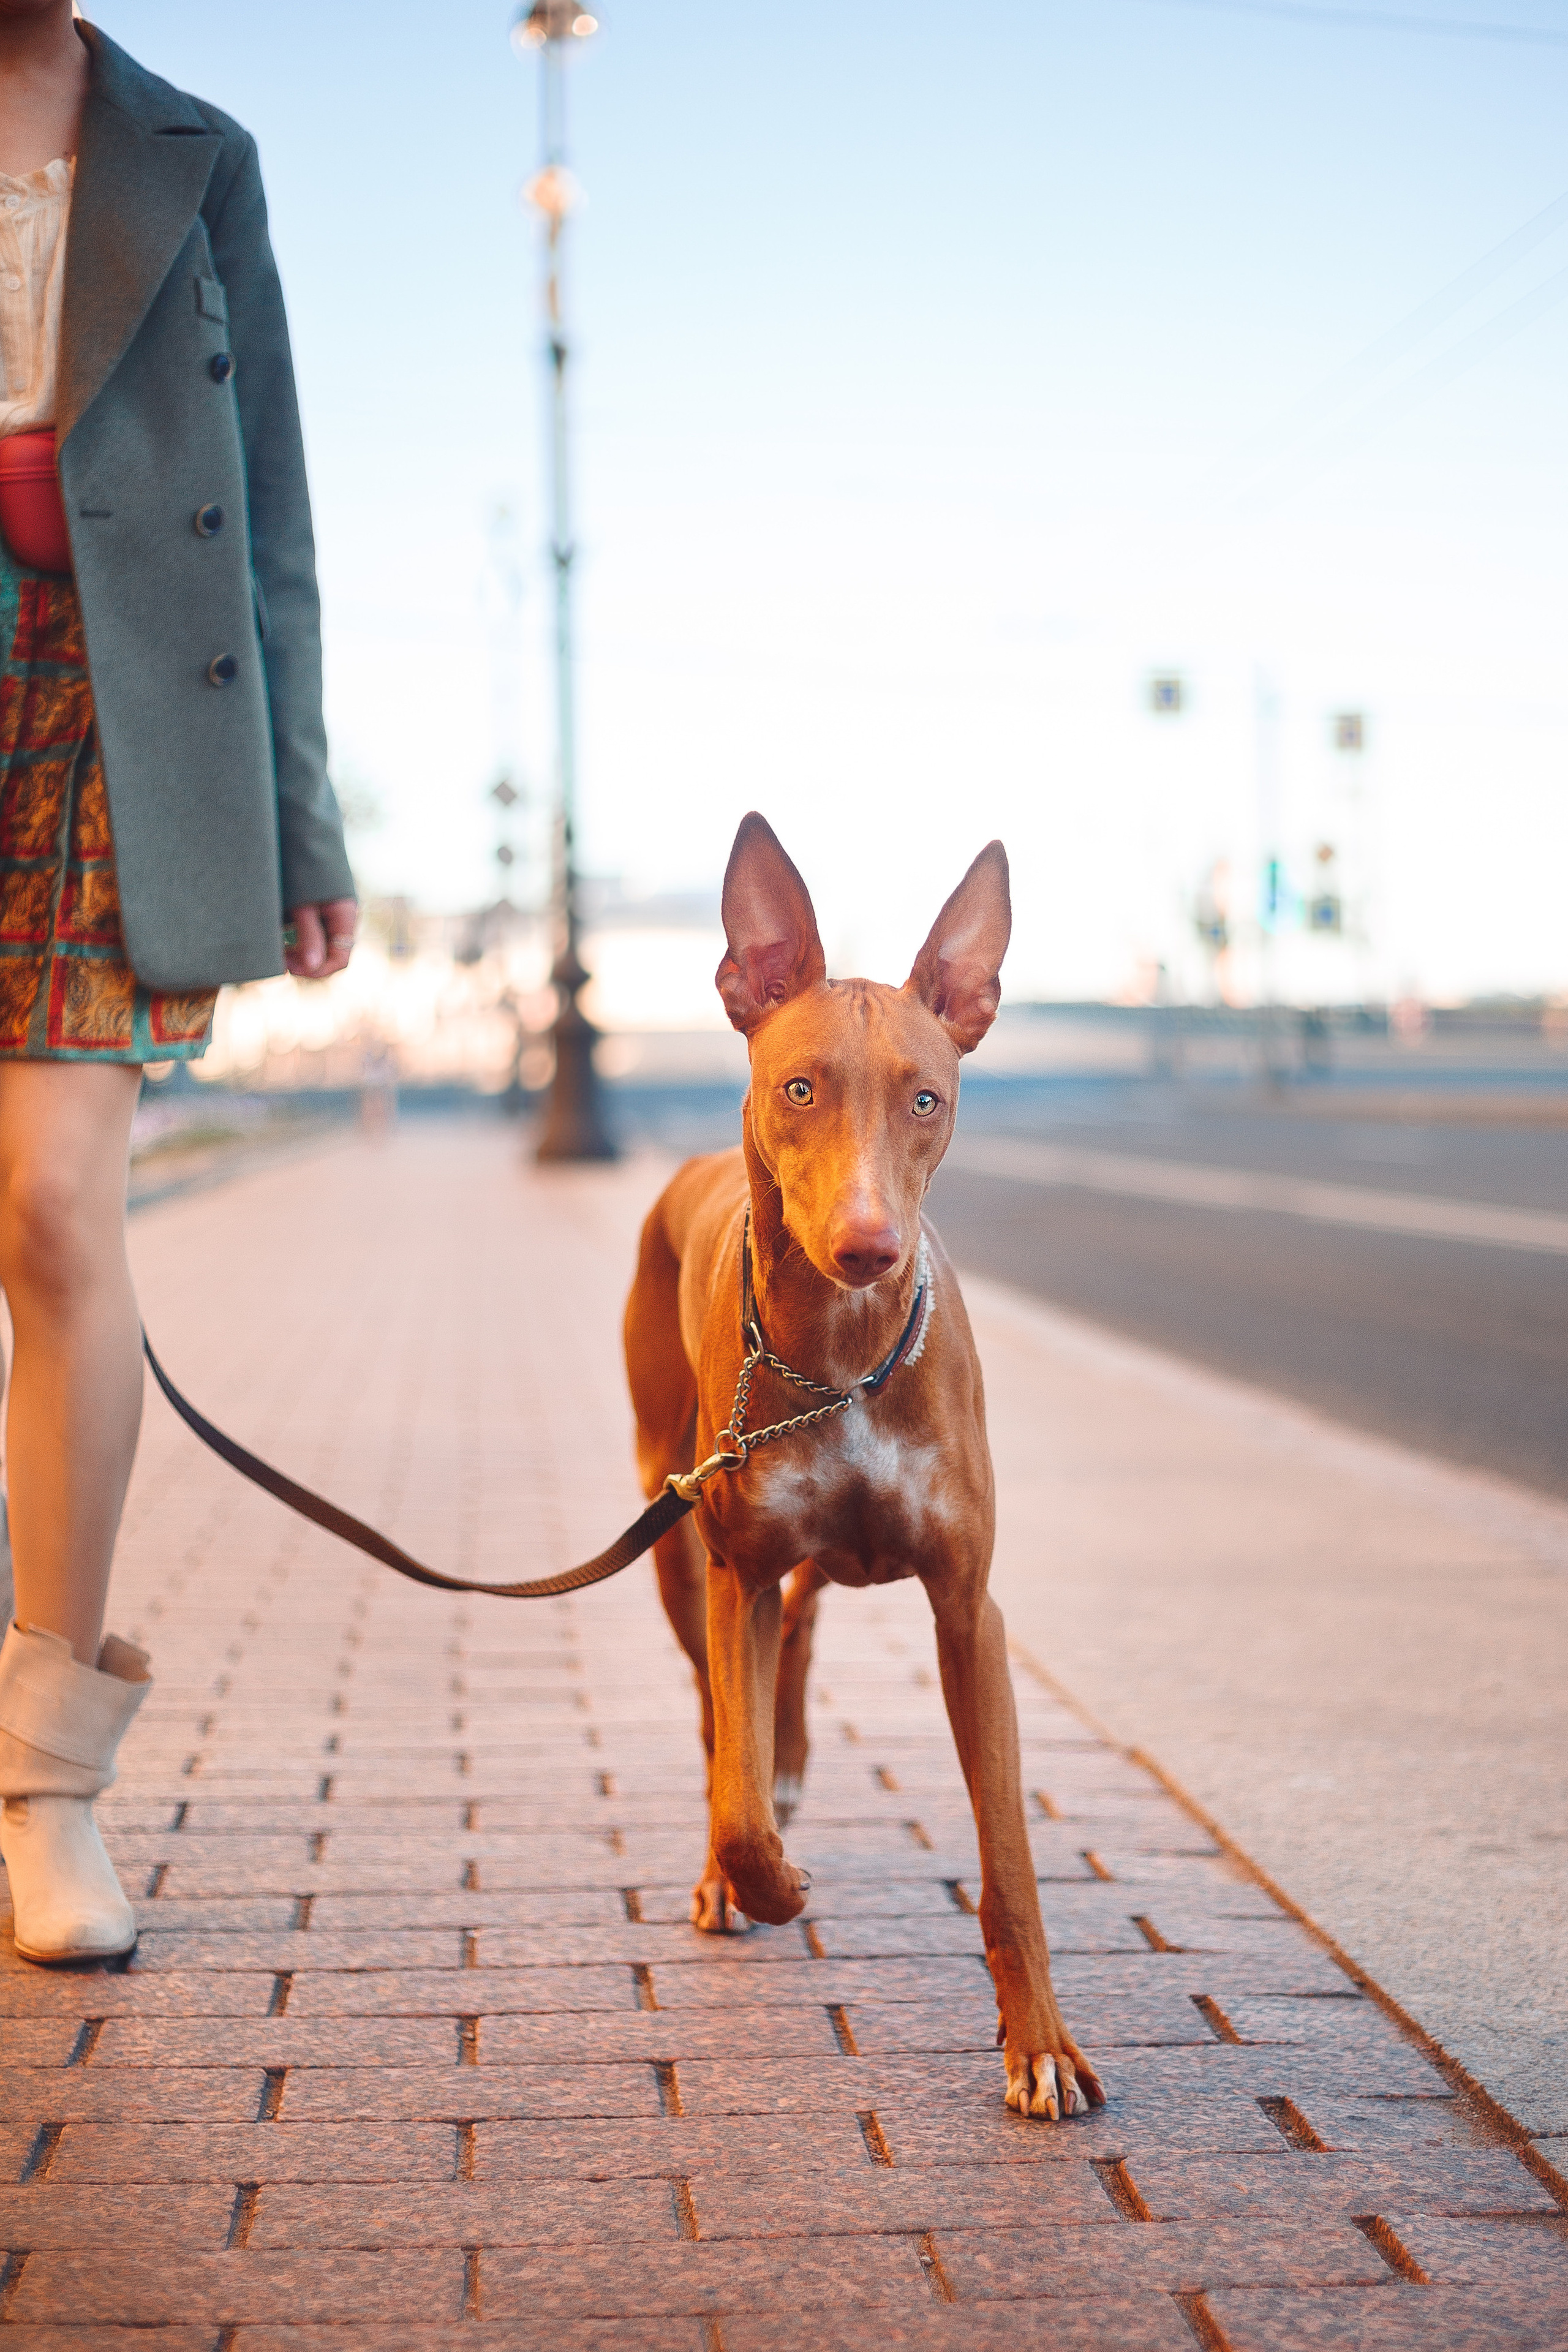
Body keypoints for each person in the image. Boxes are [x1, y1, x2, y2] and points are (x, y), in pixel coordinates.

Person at [0, 2, 355, 1964]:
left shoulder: (196, 153)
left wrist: (299, 821)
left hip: (109, 711)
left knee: (55, 1217)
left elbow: (274, 515)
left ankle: (46, 1778)